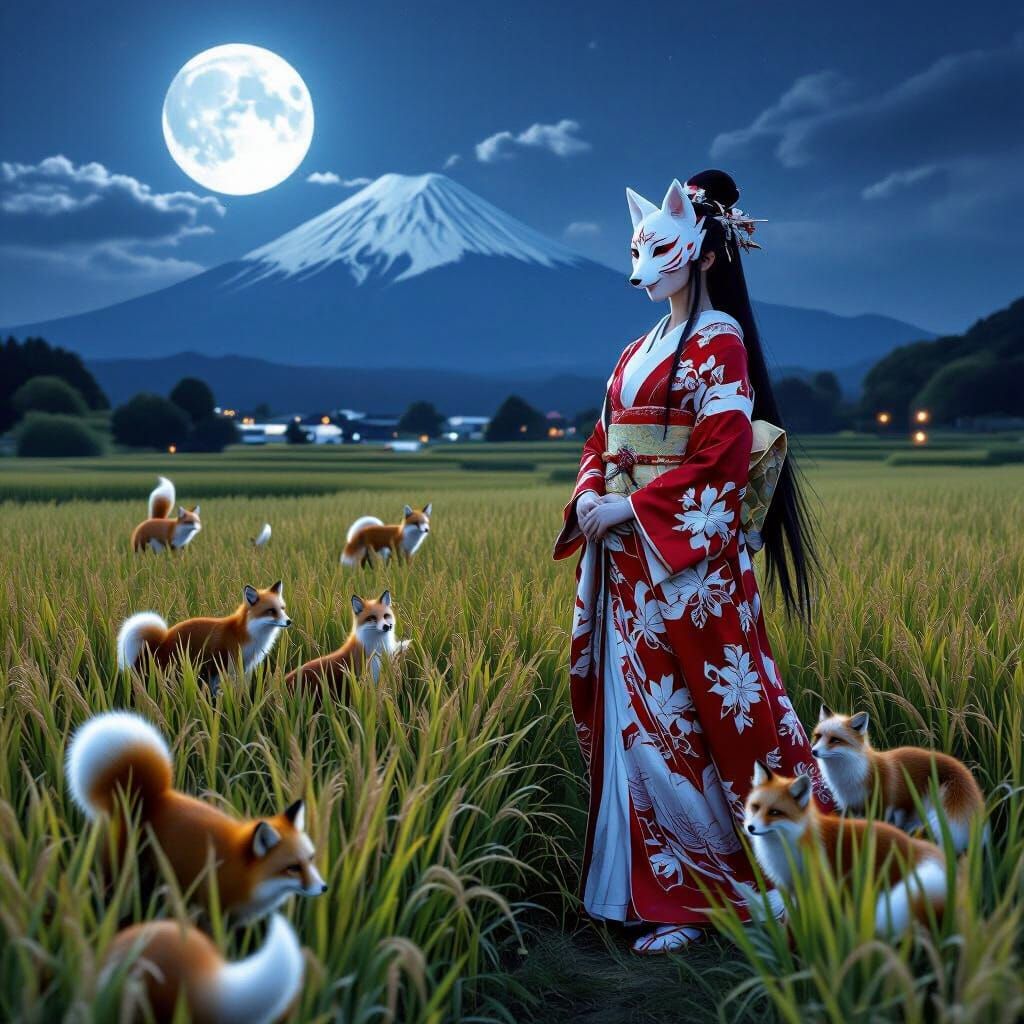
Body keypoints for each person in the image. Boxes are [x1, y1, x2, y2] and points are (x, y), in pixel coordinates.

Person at [553, 169, 834, 954]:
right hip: (628, 562)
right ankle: (655, 890)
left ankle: (734, 890)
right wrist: (589, 496)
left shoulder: (720, 341)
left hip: (686, 569)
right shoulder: (636, 349)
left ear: (704, 252)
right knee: (640, 724)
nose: (641, 267)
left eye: (659, 250)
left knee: (703, 719)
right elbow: (602, 439)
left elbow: (723, 453)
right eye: (638, 251)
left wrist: (634, 508)